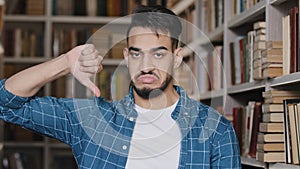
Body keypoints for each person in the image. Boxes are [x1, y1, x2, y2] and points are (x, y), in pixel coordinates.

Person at [0, 5, 241, 169]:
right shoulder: (91, 120)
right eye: (137, 54)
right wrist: (64, 63)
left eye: (158, 55)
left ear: (177, 58)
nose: (146, 66)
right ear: (126, 56)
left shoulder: (215, 130)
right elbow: (6, 103)